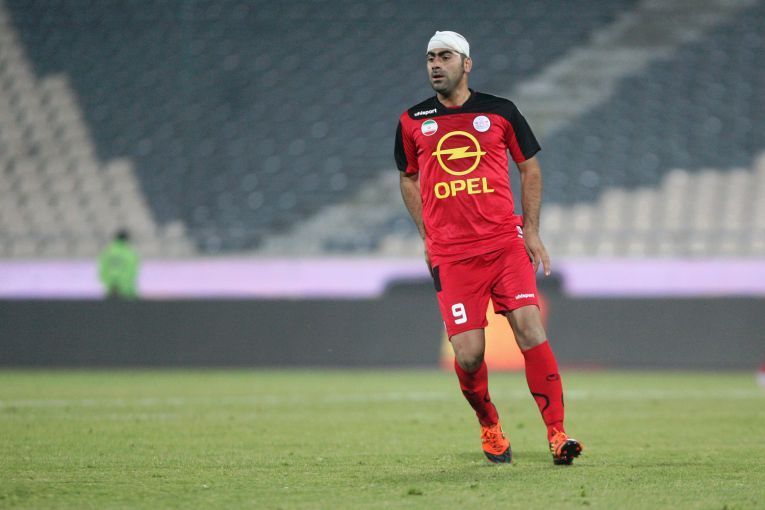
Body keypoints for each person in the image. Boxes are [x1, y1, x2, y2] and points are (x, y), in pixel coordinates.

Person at [394, 31, 583, 465]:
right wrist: (427, 235)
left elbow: (529, 168)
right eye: (430, 57)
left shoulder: (501, 112)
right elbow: (407, 176)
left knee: (530, 329)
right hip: (452, 255)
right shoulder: (411, 121)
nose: (435, 64)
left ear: (466, 64)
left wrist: (530, 231)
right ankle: (489, 424)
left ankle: (558, 434)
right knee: (469, 355)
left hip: (503, 244)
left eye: (445, 56)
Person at [98, 229, 139, 299]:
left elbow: (103, 272)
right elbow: (131, 273)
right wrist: (123, 286)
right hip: (126, 292)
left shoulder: (107, 253)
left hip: (111, 291)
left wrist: (111, 284)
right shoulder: (130, 254)